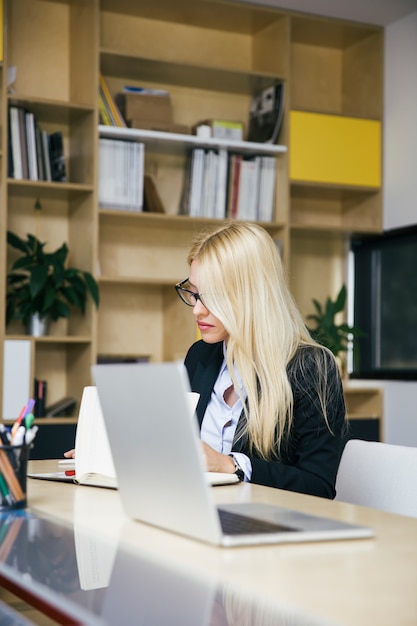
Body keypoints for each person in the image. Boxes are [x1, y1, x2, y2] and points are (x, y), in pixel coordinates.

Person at [175, 221, 346, 498]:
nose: (197, 310)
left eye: (211, 297)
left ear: (251, 296)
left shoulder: (311, 368)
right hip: (195, 513)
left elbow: (318, 486)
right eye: (194, 293)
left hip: (265, 526)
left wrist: (232, 465)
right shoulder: (200, 355)